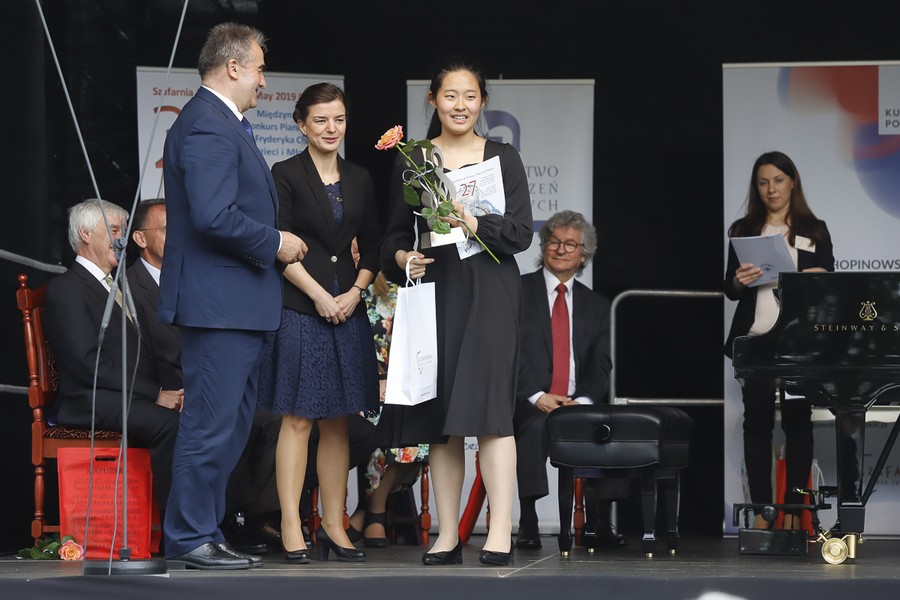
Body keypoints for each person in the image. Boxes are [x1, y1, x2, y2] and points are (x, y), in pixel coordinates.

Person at [159, 22, 307, 570]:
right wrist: (276, 242)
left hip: (236, 307)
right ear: (234, 67)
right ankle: (188, 536)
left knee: (231, 429)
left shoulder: (222, 122)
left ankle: (206, 529)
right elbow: (213, 215)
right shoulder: (207, 124)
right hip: (219, 308)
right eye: (260, 69)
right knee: (209, 426)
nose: (264, 82)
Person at [379, 56, 533, 566]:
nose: (460, 105)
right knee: (441, 416)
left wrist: (474, 220)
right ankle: (447, 535)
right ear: (433, 101)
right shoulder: (414, 159)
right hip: (436, 289)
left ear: (483, 102)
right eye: (450, 96)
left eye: (470, 96)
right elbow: (392, 238)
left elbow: (521, 234)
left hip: (491, 290)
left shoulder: (503, 157)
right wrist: (404, 258)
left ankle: (500, 532)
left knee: (491, 415)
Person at [256, 82, 380, 564]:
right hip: (301, 308)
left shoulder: (360, 177)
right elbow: (278, 245)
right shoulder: (284, 173)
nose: (332, 129)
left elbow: (372, 246)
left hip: (348, 309)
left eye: (339, 120)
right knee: (299, 418)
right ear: (301, 125)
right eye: (321, 120)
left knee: (339, 422)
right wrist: (320, 296)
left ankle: (333, 523)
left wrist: (355, 291)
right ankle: (291, 522)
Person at [127, 198, 282, 555]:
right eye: (167, 229)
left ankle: (249, 520)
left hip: (211, 378)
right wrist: (159, 393)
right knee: (208, 424)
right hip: (168, 389)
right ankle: (195, 530)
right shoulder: (129, 287)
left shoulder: (193, 274)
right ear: (140, 238)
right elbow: (131, 355)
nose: (178, 235)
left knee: (266, 421)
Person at [44, 199, 181, 526]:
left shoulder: (112, 286)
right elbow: (87, 363)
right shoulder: (67, 288)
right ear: (86, 234)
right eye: (115, 230)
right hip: (89, 400)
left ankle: (210, 521)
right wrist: (156, 394)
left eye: (123, 231)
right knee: (171, 424)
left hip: (123, 396)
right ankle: (176, 531)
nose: (121, 239)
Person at [724, 150, 834, 530]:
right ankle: (763, 513)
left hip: (798, 344)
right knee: (756, 423)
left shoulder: (814, 229)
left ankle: (794, 512)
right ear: (756, 187)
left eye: (778, 180)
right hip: (756, 341)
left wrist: (813, 275)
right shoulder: (743, 229)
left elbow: (828, 283)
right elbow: (731, 289)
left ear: (792, 183)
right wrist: (739, 280)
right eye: (763, 182)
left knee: (798, 424)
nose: (771, 189)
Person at [513, 210, 623, 550]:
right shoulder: (517, 291)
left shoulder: (597, 304)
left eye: (570, 244)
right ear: (543, 246)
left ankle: (598, 522)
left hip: (578, 403)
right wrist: (537, 396)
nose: (561, 249)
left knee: (610, 427)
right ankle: (528, 519)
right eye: (554, 241)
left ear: (583, 254)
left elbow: (602, 364)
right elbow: (508, 353)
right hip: (530, 402)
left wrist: (583, 402)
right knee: (534, 428)